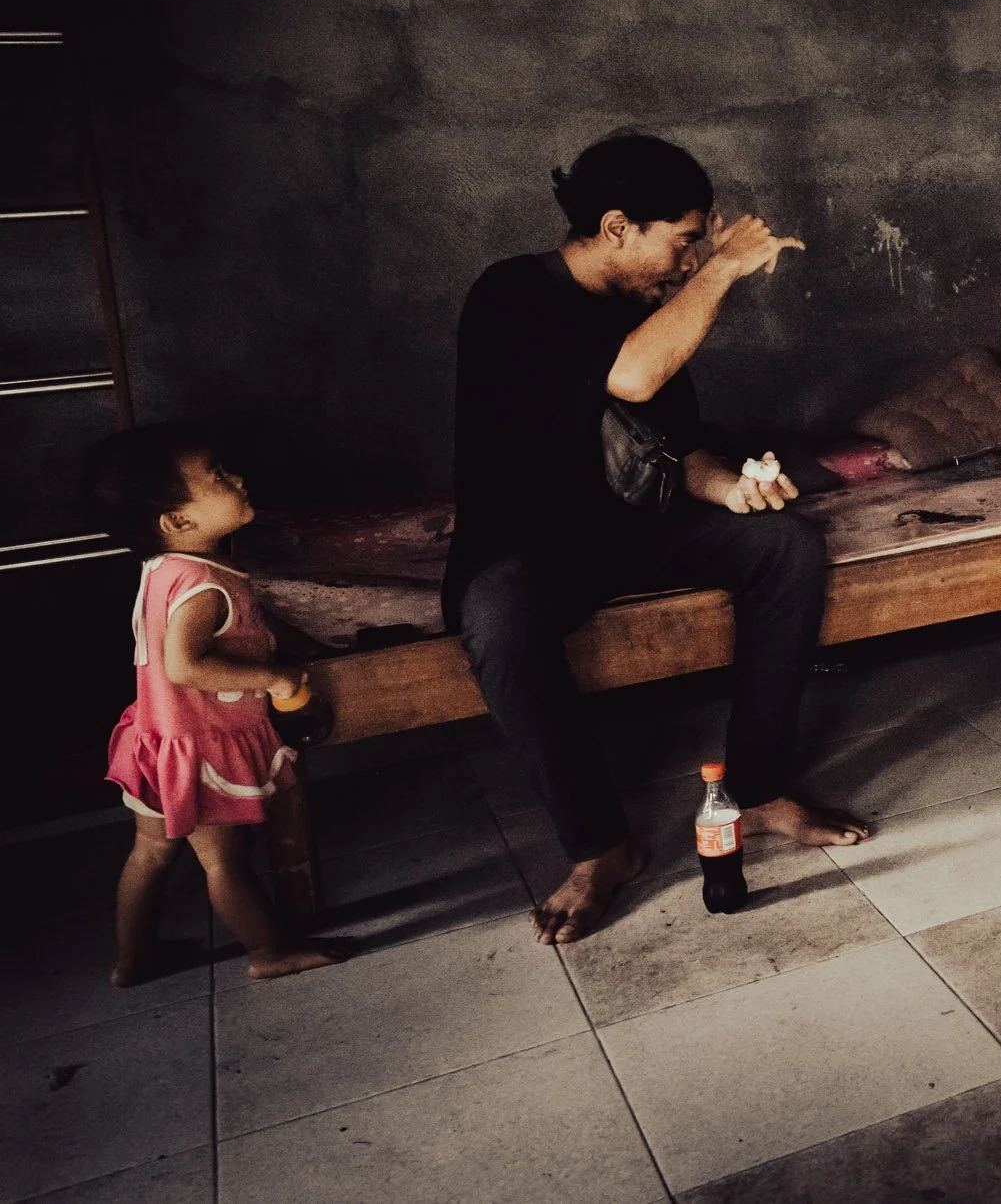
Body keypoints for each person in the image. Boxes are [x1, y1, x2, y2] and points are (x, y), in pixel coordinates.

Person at [448, 134, 869, 945]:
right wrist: (723, 268)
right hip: (532, 547)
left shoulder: (650, 308)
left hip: (639, 528)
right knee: (497, 617)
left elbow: (676, 444)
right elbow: (631, 377)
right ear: (615, 226)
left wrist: (733, 489)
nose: (687, 261)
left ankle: (759, 787)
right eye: (679, 241)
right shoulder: (509, 295)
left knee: (786, 545)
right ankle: (600, 847)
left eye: (695, 247)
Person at [87, 425, 353, 984]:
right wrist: (274, 678)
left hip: (158, 740)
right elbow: (187, 665)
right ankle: (268, 952)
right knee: (225, 862)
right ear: (179, 522)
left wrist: (287, 638)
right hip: (199, 751)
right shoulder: (206, 585)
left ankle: (131, 960)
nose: (238, 480)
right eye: (218, 477)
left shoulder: (164, 569)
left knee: (149, 855)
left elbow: (234, 629)